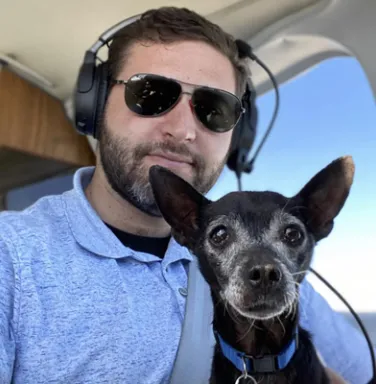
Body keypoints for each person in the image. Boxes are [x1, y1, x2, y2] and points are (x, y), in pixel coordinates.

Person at [0, 6, 373, 384]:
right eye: (151, 94)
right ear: (94, 105)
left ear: (236, 137)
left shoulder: (276, 271)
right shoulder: (11, 258)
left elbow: (362, 372)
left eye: (214, 109)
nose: (181, 130)